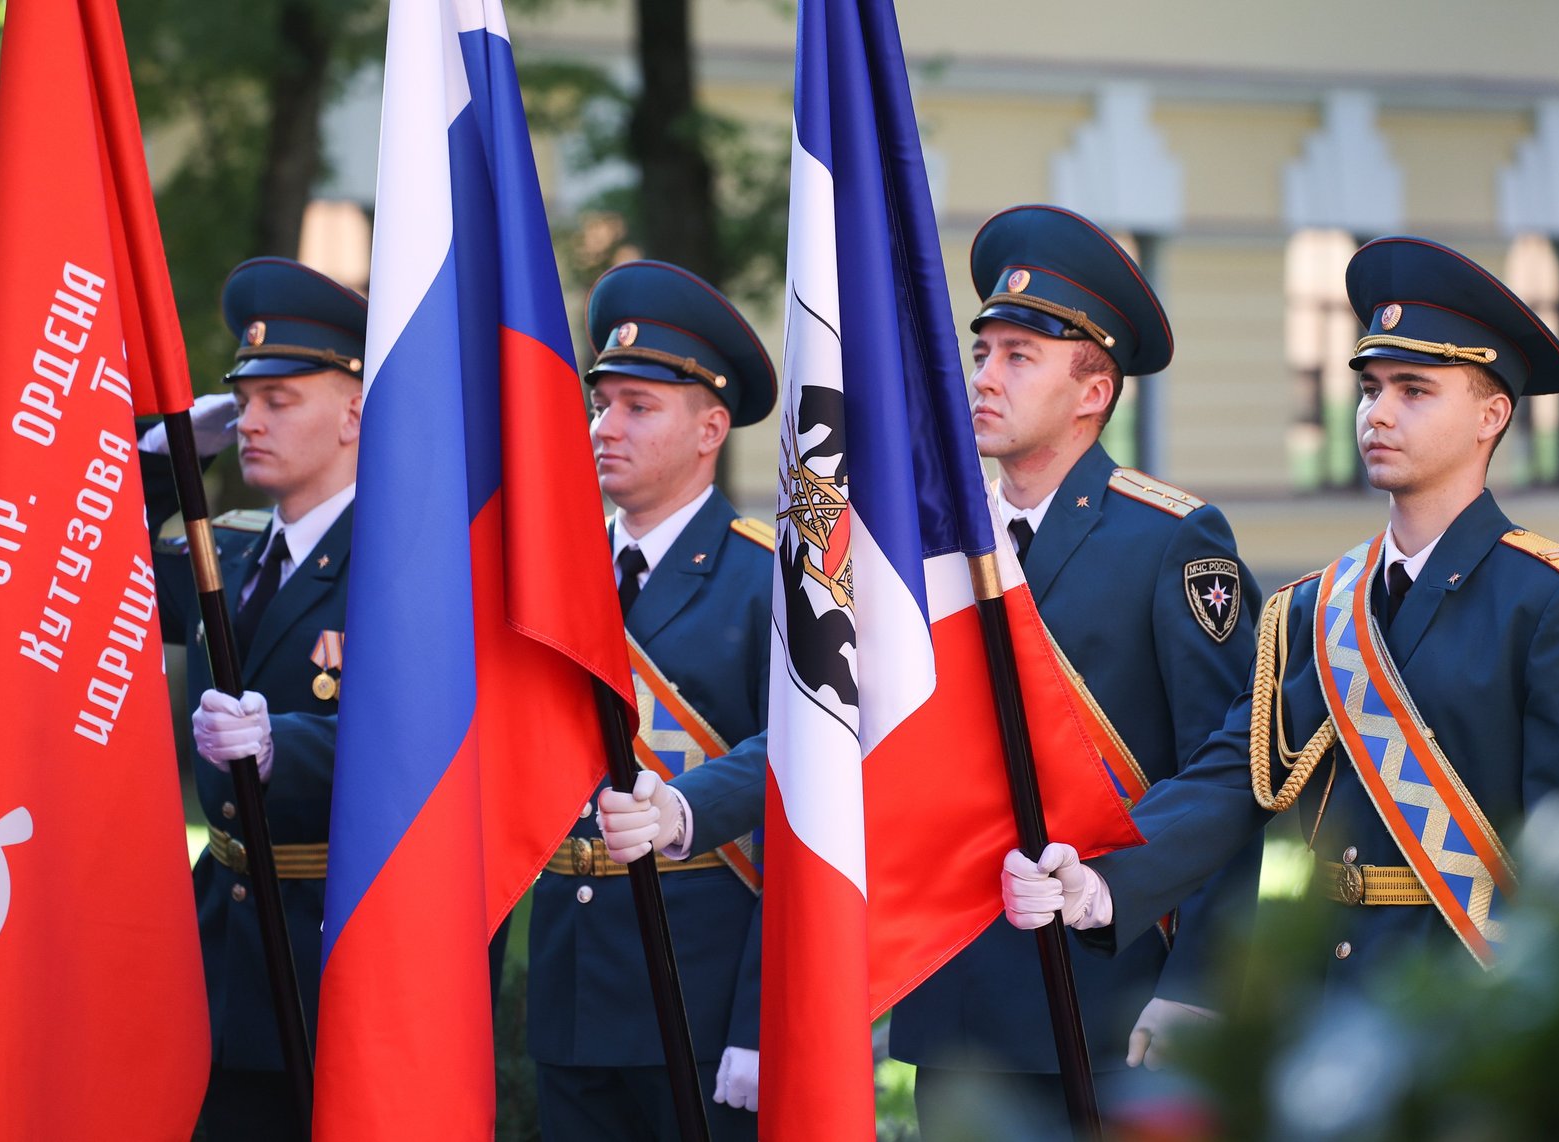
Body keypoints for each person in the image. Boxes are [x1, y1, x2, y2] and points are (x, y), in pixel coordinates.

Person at [603, 205, 1265, 1133]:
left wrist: (1197, 985)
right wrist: (687, 807)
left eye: (1018, 357)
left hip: (1112, 988)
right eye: (982, 350)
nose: (982, 378)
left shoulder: (1168, 540)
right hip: (956, 993)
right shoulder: (924, 557)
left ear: (1093, 391)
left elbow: (1232, 771)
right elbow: (838, 721)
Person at [1002, 236, 1559, 989]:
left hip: (1474, 1002)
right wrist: (1105, 881)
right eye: (1370, 389)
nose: (1377, 413)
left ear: (1491, 415)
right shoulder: (1315, 608)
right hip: (1331, 1008)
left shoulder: (1558, 600)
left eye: (1414, 389)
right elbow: (1228, 779)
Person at [527, 260, 775, 1142]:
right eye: (603, 405)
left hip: (700, 993)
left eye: (639, 407)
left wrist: (759, 1021)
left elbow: (802, 777)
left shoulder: (766, 580)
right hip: (570, 982)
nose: (606, 428)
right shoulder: (553, 578)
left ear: (711, 427)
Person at [142, 256, 366, 1140]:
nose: (251, 421)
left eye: (283, 400)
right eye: (246, 399)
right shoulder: (230, 551)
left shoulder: (401, 565)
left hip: (333, 944)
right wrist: (164, 462)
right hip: (222, 935)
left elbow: (435, 743)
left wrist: (288, 746)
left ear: (355, 411)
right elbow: (81, 585)